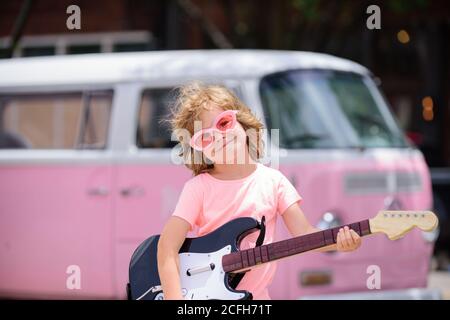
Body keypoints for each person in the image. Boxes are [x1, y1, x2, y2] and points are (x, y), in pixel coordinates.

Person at [157, 82, 361, 300]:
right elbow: (167, 248)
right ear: (198, 150)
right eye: (204, 137)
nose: (218, 136)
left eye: (224, 123)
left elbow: (305, 235)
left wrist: (340, 241)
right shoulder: (198, 188)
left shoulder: (274, 182)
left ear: (242, 122)